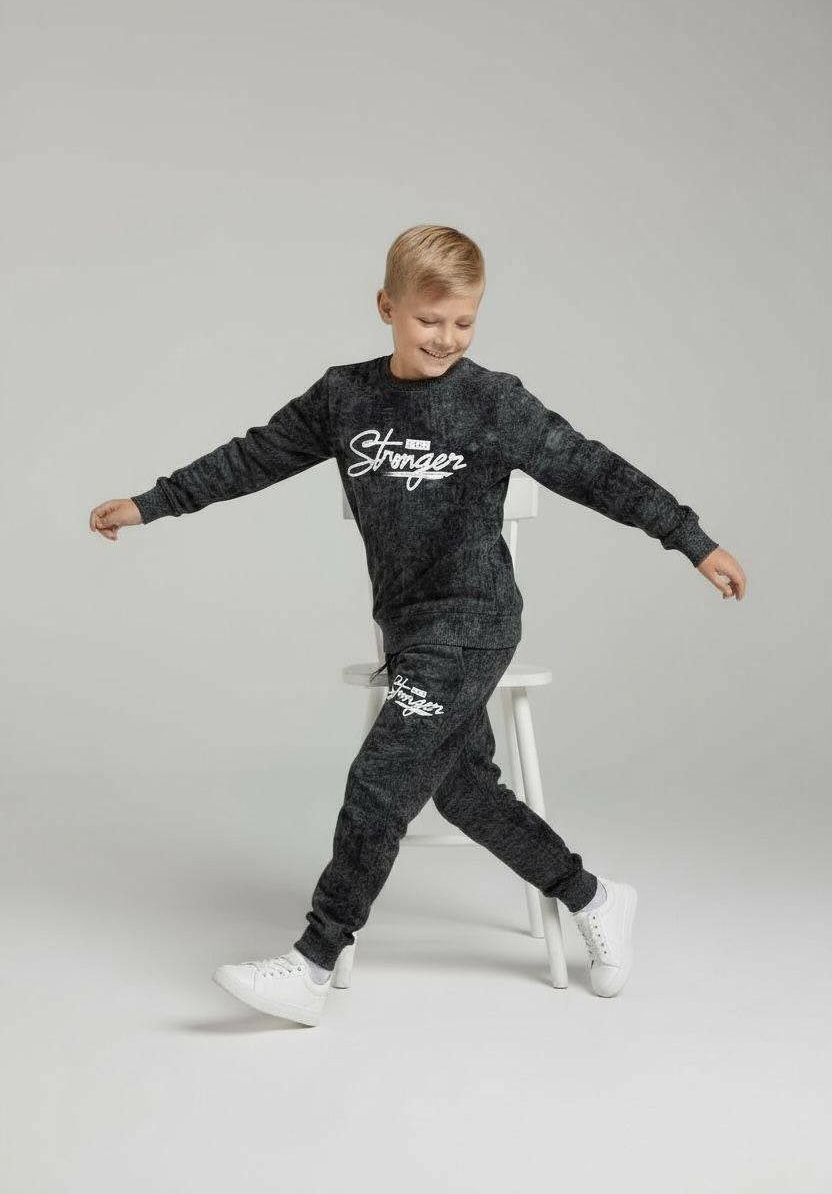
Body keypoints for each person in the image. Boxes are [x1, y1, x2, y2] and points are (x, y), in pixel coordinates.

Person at [89, 223, 747, 1026]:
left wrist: (690, 538)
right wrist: (151, 504)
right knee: (463, 794)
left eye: (464, 321)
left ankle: (312, 963)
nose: (447, 338)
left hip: (473, 620)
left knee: (380, 779)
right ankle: (596, 898)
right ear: (387, 308)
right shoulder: (345, 397)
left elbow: (594, 469)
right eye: (429, 320)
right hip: (405, 629)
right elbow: (251, 457)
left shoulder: (493, 402)